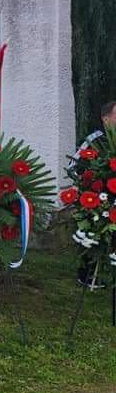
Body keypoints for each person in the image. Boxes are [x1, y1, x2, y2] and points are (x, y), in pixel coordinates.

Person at [73, 101, 116, 290]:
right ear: (105, 119)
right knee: (93, 235)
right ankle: (88, 275)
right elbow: (74, 166)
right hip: (96, 197)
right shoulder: (94, 139)